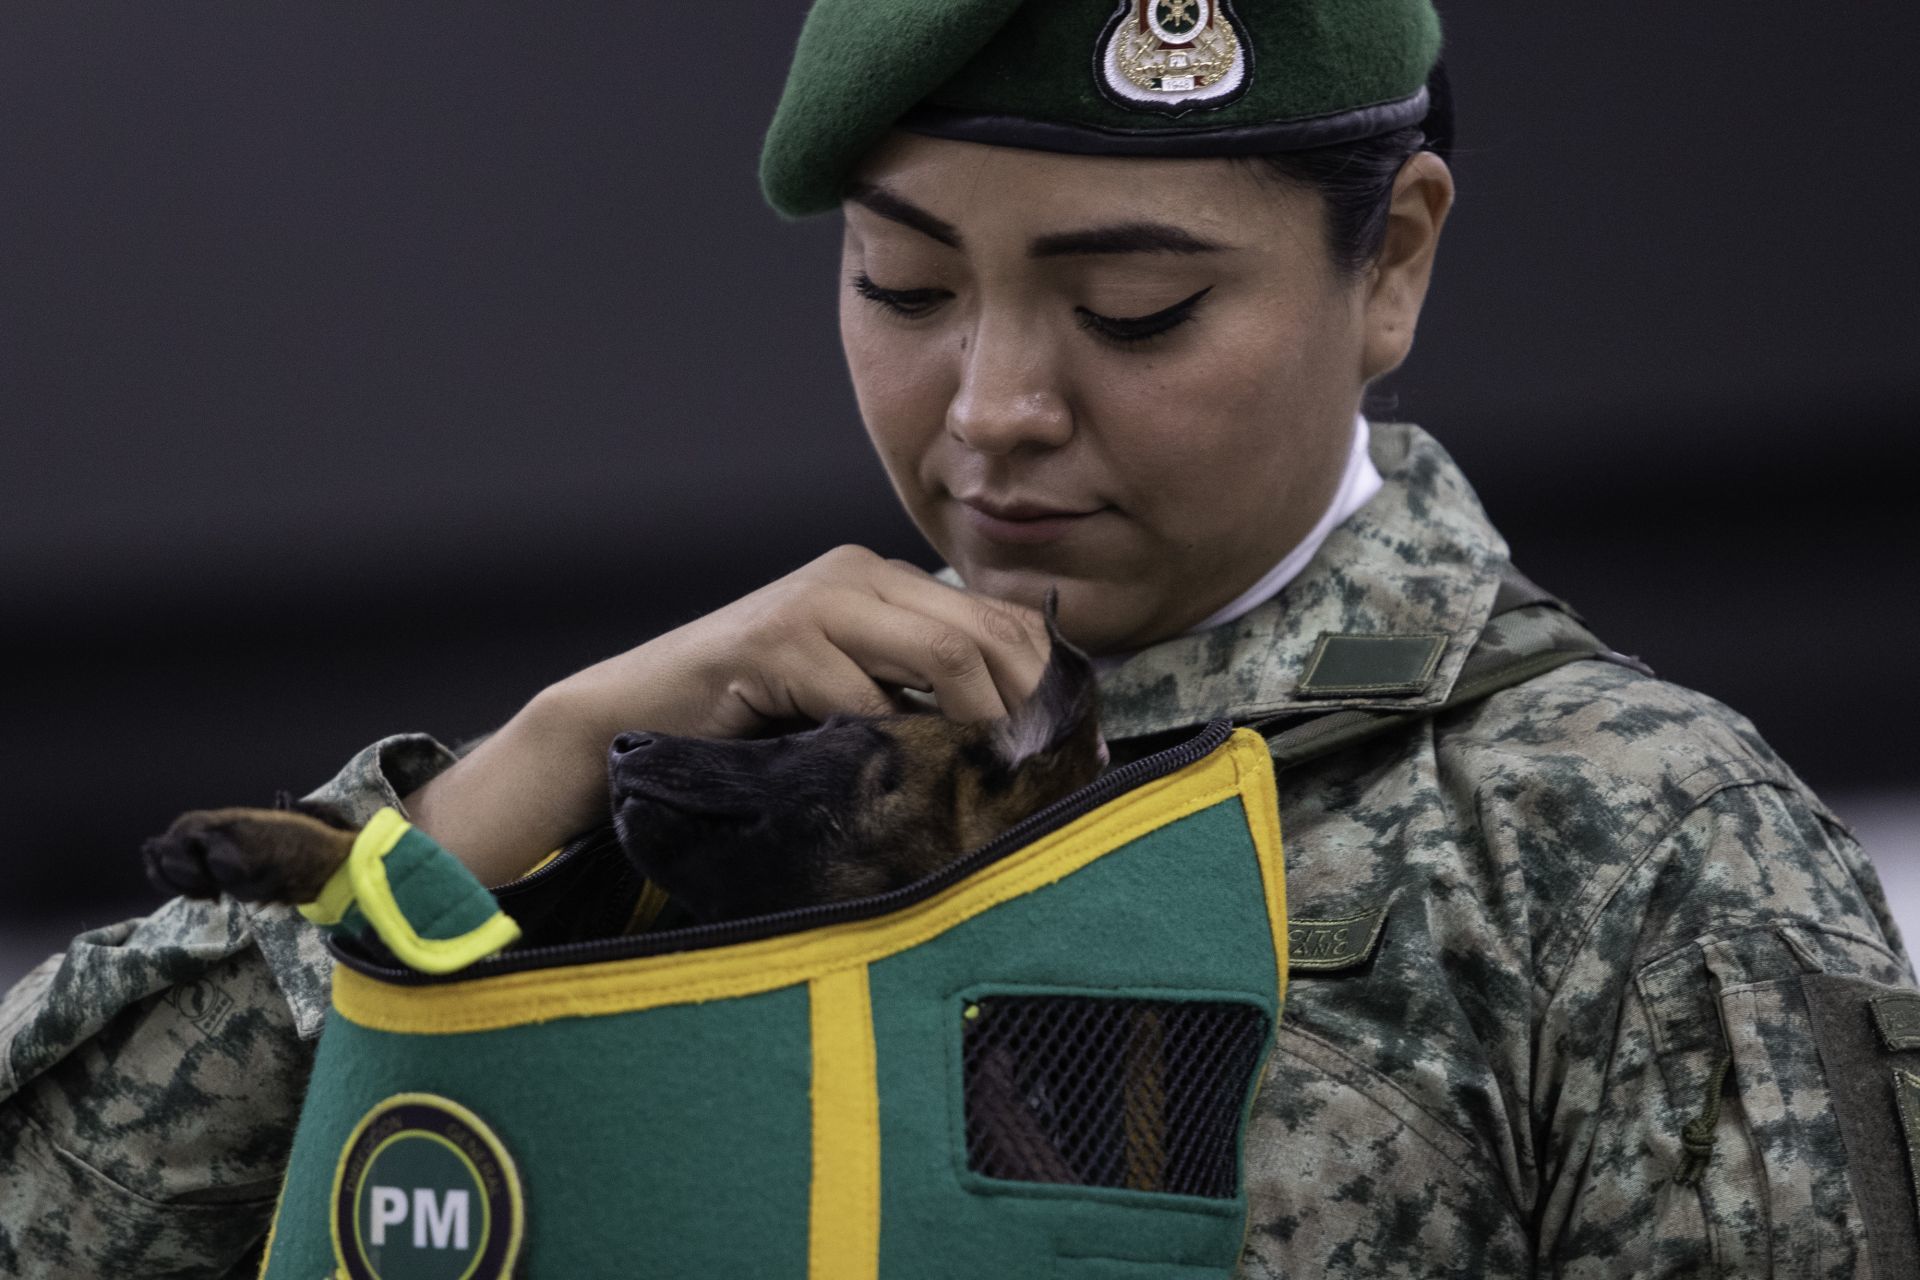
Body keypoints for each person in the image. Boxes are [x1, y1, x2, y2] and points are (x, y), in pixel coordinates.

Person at [4, 1, 1915, 1275]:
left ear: (1392, 258)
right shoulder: (717, 767)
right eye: (901, 283)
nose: (992, 405)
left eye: (1140, 306)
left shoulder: (1623, 846)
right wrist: (528, 778)